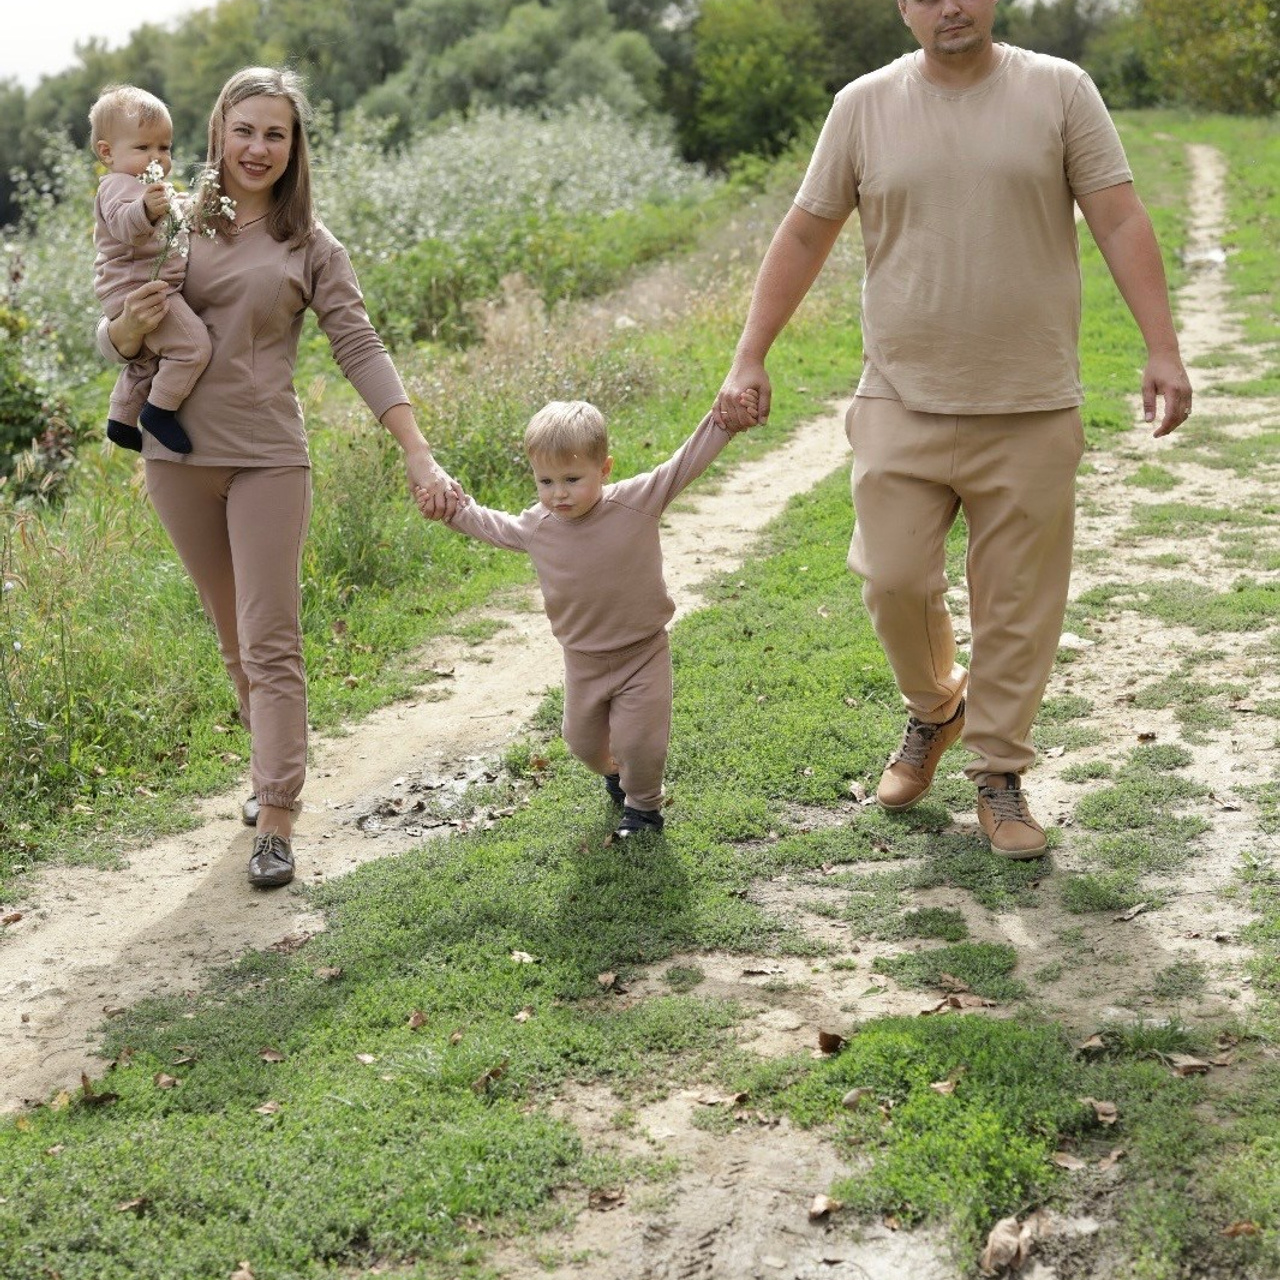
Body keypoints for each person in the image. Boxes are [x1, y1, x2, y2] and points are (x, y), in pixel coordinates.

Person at [713, 0, 1192, 859]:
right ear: (904, 7)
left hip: (1032, 400)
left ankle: (1000, 774)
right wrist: (751, 353)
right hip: (902, 396)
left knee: (1016, 603)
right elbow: (807, 229)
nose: (950, 6)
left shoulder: (1059, 90)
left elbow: (1118, 217)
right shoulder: (863, 104)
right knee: (892, 577)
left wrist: (1163, 347)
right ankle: (938, 708)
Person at [100, 67, 460, 888]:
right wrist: (118, 332)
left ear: (295, 147)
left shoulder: (310, 243)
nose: (257, 148)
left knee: (270, 638)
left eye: (276, 133)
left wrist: (416, 448)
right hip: (175, 458)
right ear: (217, 131)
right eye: (244, 129)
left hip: (267, 457)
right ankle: (268, 772)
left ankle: (276, 816)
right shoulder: (176, 223)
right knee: (233, 639)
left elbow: (359, 344)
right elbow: (124, 327)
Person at [416, 398, 752, 838]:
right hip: (583, 661)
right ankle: (616, 774)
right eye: (546, 481)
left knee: (641, 743)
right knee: (583, 745)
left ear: (604, 468)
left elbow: (684, 462)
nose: (559, 493)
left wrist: (723, 423)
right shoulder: (537, 526)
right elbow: (485, 523)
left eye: (573, 479)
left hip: (642, 651)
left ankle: (644, 810)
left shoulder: (637, 501)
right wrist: (447, 509)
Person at [89, 84, 212, 455]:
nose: (157, 157)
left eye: (164, 147)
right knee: (191, 348)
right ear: (107, 153)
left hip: (143, 285)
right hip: (138, 286)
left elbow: (172, 221)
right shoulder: (116, 186)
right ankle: (158, 411)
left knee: (148, 360)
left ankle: (120, 418)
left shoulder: (146, 186)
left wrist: (186, 206)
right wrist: (147, 208)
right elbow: (127, 225)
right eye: (143, 148)